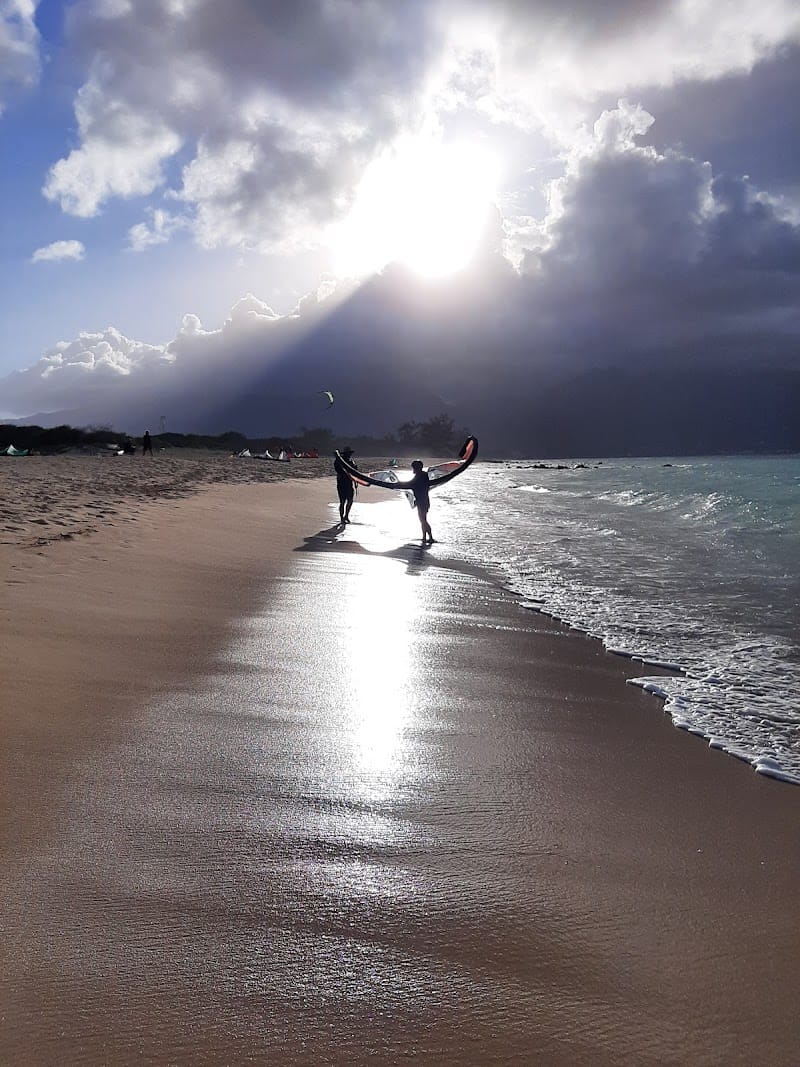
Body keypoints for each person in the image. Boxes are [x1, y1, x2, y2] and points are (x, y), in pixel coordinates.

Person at [407, 460, 434, 544]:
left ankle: (430, 537)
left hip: (423, 501)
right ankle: (425, 537)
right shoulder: (422, 475)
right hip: (422, 501)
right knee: (422, 520)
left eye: (413, 468)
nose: (413, 469)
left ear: (417, 468)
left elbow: (411, 484)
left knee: (423, 520)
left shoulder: (421, 476)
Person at [333, 447, 357, 523]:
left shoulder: (351, 462)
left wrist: (356, 481)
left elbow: (355, 472)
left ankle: (346, 516)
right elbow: (337, 469)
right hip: (341, 484)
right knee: (342, 502)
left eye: (350, 454)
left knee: (350, 501)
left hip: (349, 484)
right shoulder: (339, 461)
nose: (349, 455)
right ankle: (341, 518)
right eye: (348, 453)